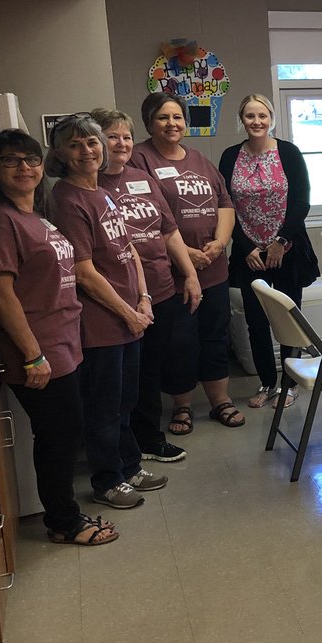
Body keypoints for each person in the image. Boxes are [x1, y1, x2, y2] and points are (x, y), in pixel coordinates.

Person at [0, 130, 118, 544]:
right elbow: (0, 292)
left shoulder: (33, 214)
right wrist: (33, 354)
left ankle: (64, 511)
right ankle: (63, 521)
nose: (24, 168)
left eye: (31, 159)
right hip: (38, 350)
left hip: (61, 342)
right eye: (11, 161)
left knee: (65, 432)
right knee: (58, 437)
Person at [47, 114, 167, 509]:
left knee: (126, 401)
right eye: (75, 145)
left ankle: (130, 465)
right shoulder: (66, 199)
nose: (87, 151)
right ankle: (107, 480)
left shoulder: (102, 192)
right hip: (102, 325)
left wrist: (144, 299)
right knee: (104, 407)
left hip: (130, 317)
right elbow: (83, 271)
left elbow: (128, 249)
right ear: (60, 154)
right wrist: (128, 313)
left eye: (92, 143)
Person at [92, 108, 201, 463]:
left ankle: (149, 439)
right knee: (124, 382)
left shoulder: (142, 176)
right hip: (120, 298)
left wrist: (190, 274)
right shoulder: (89, 187)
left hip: (162, 290)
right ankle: (126, 450)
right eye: (112, 136)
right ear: (96, 143)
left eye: (126, 136)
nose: (121, 143)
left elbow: (168, 230)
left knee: (151, 371)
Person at [131, 92, 242, 431]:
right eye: (163, 117)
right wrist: (185, 256)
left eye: (177, 117)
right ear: (149, 122)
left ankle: (219, 400)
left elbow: (225, 203)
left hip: (213, 269)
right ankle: (182, 405)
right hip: (172, 275)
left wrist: (219, 245)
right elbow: (143, 220)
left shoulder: (199, 159)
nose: (171, 124)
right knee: (179, 342)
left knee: (215, 336)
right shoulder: (139, 160)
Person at [218, 93, 319, 409]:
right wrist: (246, 245)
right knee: (256, 321)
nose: (256, 121)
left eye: (262, 115)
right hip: (248, 252)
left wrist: (280, 243)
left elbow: (301, 202)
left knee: (289, 318)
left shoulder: (288, 152)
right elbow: (226, 205)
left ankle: (290, 384)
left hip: (287, 249)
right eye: (250, 116)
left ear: (271, 118)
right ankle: (267, 382)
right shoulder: (230, 156)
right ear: (242, 120)